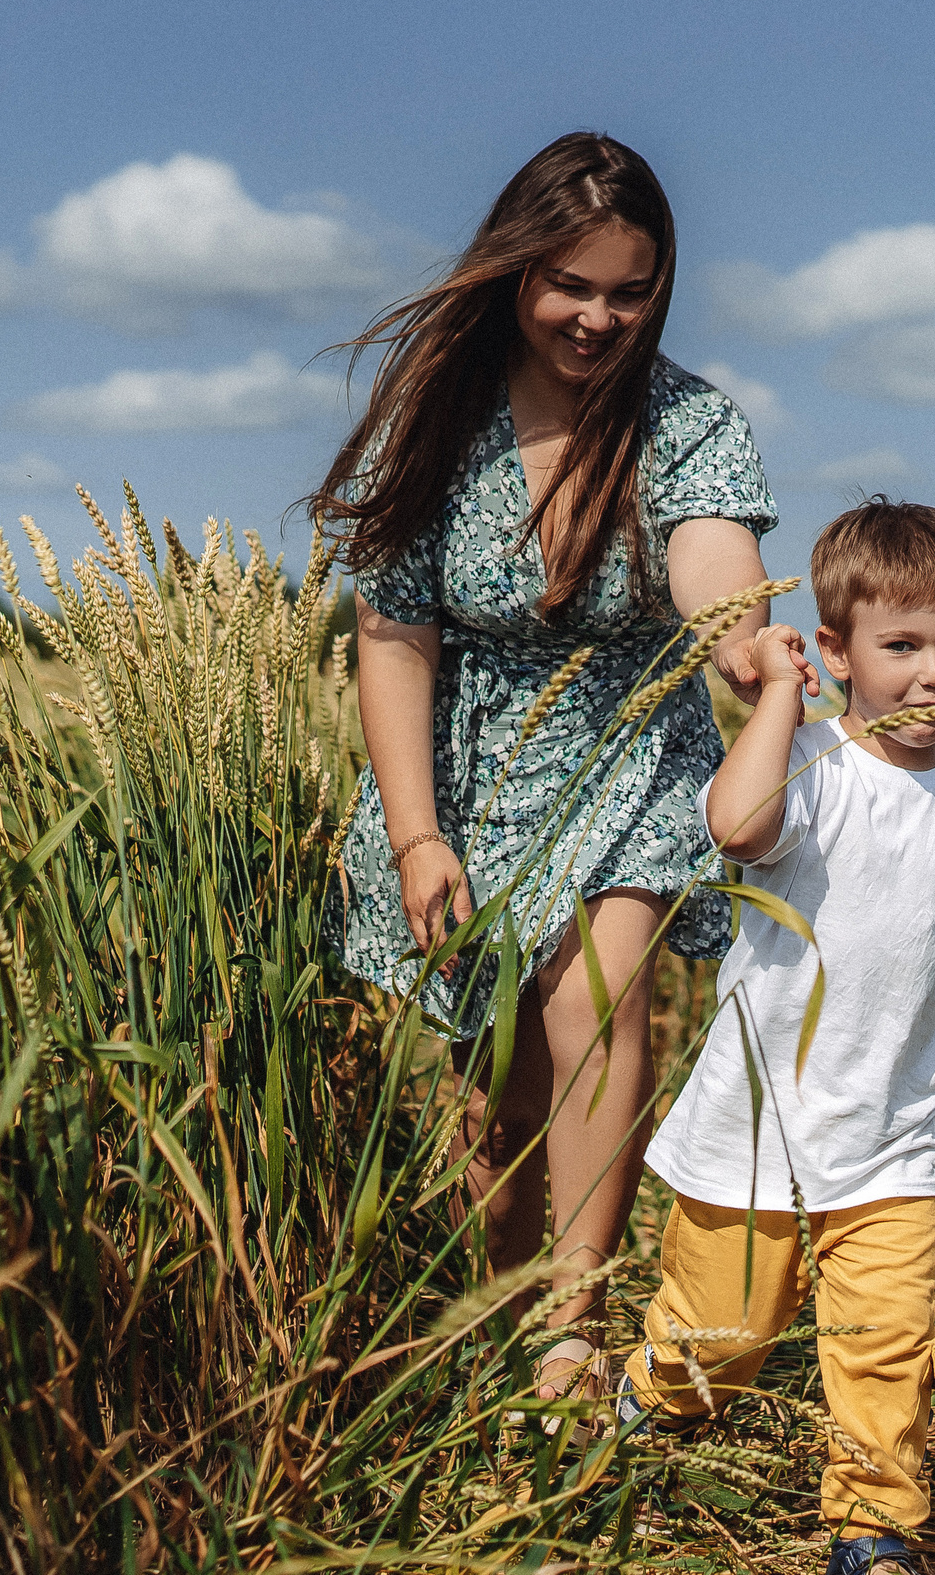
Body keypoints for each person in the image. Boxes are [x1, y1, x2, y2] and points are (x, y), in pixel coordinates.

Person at [311, 133, 779, 1404]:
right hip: (466, 767)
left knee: (599, 997)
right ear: (517, 271)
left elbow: (711, 558)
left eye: (630, 291)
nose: (598, 317)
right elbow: (394, 637)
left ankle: (572, 1329)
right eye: (572, 285)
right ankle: (491, 1307)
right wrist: (417, 837)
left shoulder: (686, 421)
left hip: (627, 742)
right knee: (501, 1088)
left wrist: (746, 641)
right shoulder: (438, 418)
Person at [617, 498, 935, 1575]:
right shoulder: (811, 768)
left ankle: (872, 1531)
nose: (934, 674)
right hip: (754, 1136)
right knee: (723, 1345)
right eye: (902, 647)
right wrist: (779, 699)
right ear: (835, 652)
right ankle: (635, 1415)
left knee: (886, 1348)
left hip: (890, 1141)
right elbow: (736, 828)